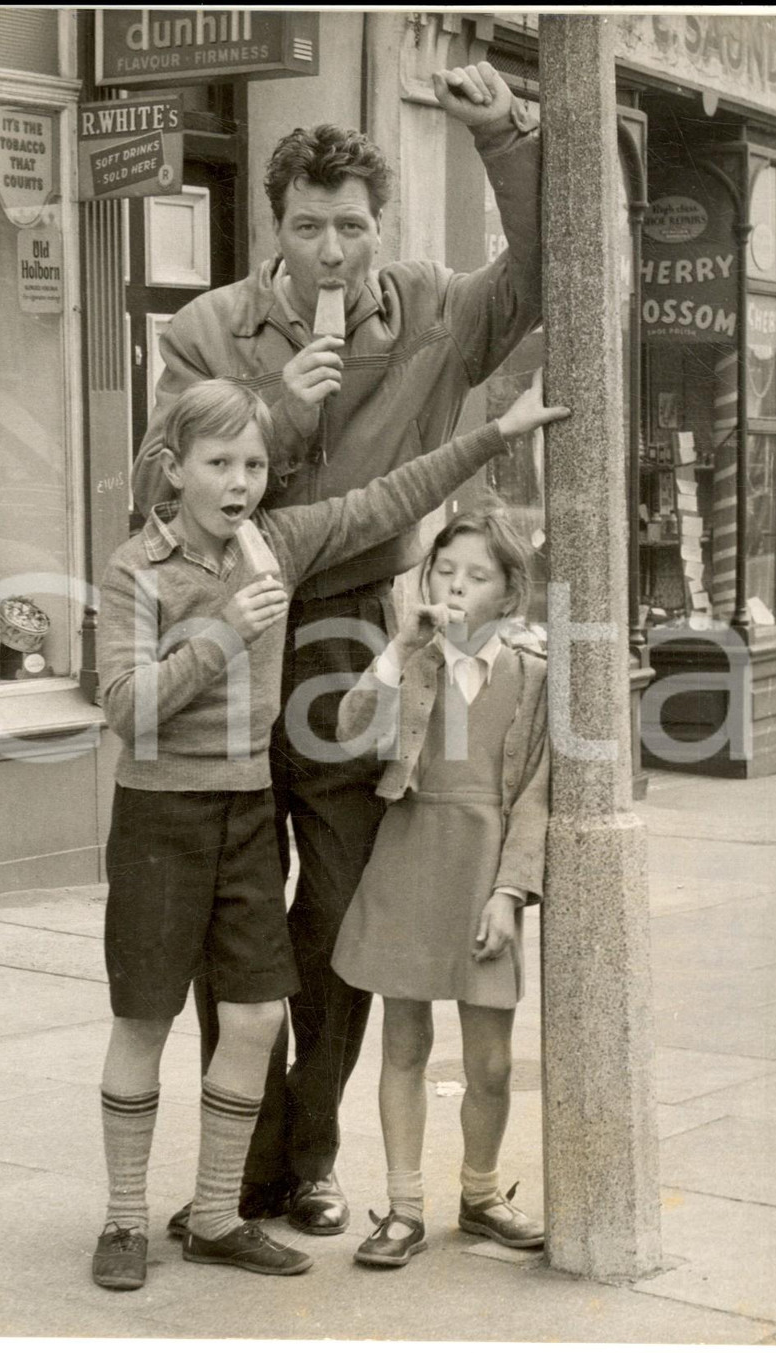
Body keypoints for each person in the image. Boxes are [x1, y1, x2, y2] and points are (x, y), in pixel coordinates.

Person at [130, 60, 543, 1236]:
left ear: (380, 228)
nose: (330, 252)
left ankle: (309, 1156)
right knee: (241, 911)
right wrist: (279, 401)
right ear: (274, 226)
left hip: (363, 622)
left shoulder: (424, 305)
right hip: (233, 624)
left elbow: (541, 274)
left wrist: (501, 134)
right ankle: (243, 1175)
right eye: (307, 227)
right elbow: (180, 486)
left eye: (350, 228)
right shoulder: (210, 328)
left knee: (342, 911)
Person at [92, 376, 568, 1289]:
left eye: (256, 465)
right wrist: (224, 632)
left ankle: (219, 1216)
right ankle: (122, 1222)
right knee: (146, 1015)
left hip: (245, 805)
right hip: (160, 808)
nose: (240, 483)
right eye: (220, 464)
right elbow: (125, 708)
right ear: (173, 468)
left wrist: (489, 435)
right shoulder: (134, 570)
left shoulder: (274, 542)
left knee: (260, 1013)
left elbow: (384, 500)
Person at [330, 500, 549, 1268]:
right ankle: (401, 1207)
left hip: (485, 871)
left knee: (489, 1061)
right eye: (444, 570)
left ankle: (483, 1194)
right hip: (412, 855)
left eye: (476, 576)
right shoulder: (414, 663)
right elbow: (349, 735)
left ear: (509, 593)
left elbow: (537, 798)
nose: (455, 587)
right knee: (404, 1042)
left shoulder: (530, 676)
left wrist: (510, 894)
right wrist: (395, 648)